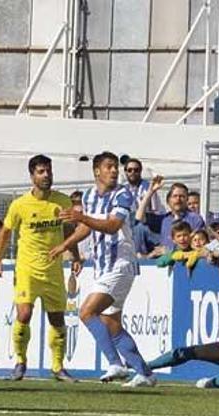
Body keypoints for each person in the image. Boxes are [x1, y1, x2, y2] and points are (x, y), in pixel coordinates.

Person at [49, 152, 156, 387]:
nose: (114, 171)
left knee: (87, 313)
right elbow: (86, 228)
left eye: (115, 167)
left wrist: (82, 217)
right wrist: (64, 245)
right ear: (97, 171)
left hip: (121, 263)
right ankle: (145, 373)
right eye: (109, 167)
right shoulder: (88, 195)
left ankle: (115, 363)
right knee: (111, 322)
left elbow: (112, 226)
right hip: (103, 265)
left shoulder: (123, 194)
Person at [0, 155, 81, 382]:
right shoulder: (20, 204)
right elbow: (5, 231)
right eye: (41, 172)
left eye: (49, 171)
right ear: (32, 175)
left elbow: (70, 230)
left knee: (57, 318)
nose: (46, 175)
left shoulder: (62, 201)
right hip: (27, 268)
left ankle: (58, 367)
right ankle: (20, 362)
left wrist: (76, 255)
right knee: (24, 312)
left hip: (53, 269)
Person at [134, 179, 205, 257]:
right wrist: (151, 191)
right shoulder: (164, 219)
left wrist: (170, 251)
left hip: (184, 261)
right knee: (139, 228)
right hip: (164, 263)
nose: (178, 199)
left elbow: (196, 245)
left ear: (186, 200)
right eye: (175, 196)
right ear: (168, 201)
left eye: (182, 196)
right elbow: (139, 217)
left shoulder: (195, 219)